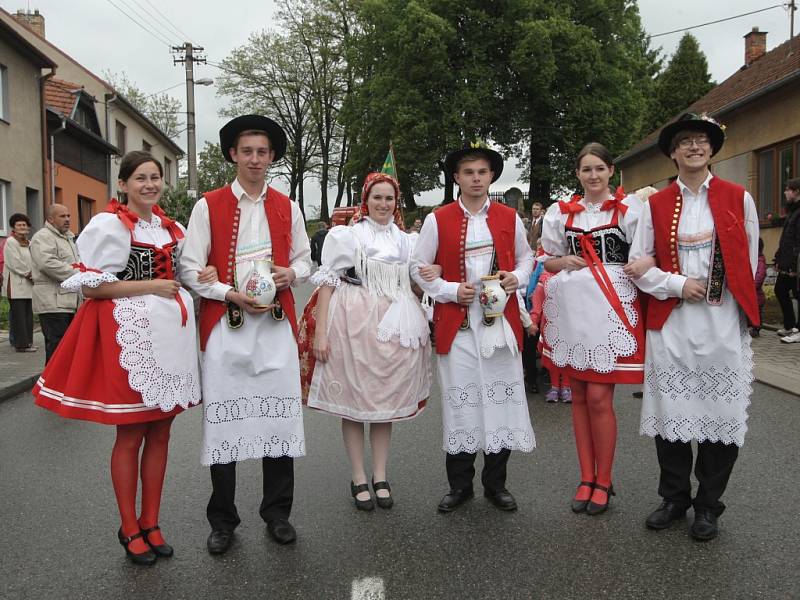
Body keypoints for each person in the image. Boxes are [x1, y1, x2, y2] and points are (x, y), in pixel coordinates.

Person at [33, 151, 206, 565]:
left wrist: (204, 277)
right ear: (124, 184)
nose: (150, 184)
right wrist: (152, 286)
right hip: (132, 336)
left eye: (156, 177)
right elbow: (92, 289)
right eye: (141, 178)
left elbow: (185, 278)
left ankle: (152, 520)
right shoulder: (108, 225)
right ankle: (129, 526)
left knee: (161, 433)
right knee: (130, 434)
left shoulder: (171, 228)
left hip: (172, 338)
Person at [180, 114, 312, 554]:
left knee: (278, 420)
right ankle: (223, 519)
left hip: (275, 328)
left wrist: (290, 272)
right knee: (224, 425)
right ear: (233, 155)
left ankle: (277, 513)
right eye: (247, 151)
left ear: (271, 156)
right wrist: (226, 292)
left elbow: (305, 262)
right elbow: (188, 268)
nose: (255, 159)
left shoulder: (287, 206)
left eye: (263, 151)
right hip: (227, 328)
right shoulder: (208, 205)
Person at [629, 113, 760, 541]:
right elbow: (638, 266)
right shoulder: (655, 204)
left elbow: (750, 259)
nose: (694, 147)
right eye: (685, 141)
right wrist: (677, 283)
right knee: (672, 414)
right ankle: (674, 498)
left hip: (722, 322)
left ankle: (708, 505)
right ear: (673, 152)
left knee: (719, 415)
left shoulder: (738, 197)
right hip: (671, 324)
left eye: (701, 140)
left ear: (711, 148)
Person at [412, 143, 535, 513]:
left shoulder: (509, 218)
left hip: (500, 324)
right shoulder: (438, 219)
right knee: (461, 402)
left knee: (500, 401)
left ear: (492, 176)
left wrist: (516, 276)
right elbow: (418, 266)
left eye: (482, 172)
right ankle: (460, 485)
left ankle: (496, 484)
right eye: (468, 172)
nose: (476, 179)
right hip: (459, 324)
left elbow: (528, 257)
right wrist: (450, 290)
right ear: (456, 178)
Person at [298, 172, 431, 511]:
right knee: (356, 405)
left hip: (394, 327)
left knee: (384, 404)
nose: (383, 204)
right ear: (366, 201)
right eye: (377, 198)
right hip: (353, 322)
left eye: (389, 198)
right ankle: (358, 476)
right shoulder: (348, 236)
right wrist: (322, 332)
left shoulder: (407, 241)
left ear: (395, 202)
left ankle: (380, 474)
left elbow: (421, 278)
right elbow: (327, 283)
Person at [539, 143, 646, 515]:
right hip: (573, 310)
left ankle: (605, 479)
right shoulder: (560, 213)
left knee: (600, 398)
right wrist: (562, 260)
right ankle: (586, 477)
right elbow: (546, 259)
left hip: (609, 309)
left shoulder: (629, 210)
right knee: (580, 397)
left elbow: (646, 254)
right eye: (587, 169)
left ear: (611, 170)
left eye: (599, 168)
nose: (594, 175)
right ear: (578, 174)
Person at [30, 204, 80, 363]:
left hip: (68, 301)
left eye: (68, 216)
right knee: (57, 348)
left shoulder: (69, 238)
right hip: (52, 301)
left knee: (67, 348)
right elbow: (47, 264)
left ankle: (62, 385)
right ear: (50, 219)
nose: (67, 219)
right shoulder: (43, 237)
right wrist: (78, 275)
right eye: (62, 216)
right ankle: (51, 385)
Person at [2, 213, 37, 352]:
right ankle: (21, 345)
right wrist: (29, 274)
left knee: (28, 315)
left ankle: (28, 342)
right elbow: (14, 262)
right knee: (19, 317)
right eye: (19, 225)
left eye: (24, 225)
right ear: (14, 227)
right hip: (16, 284)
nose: (22, 227)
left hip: (27, 284)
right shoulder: (11, 241)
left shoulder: (28, 242)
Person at [775, 178, 800, 341]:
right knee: (780, 290)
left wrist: (793, 266)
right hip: (787, 261)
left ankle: (797, 330)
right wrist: (778, 258)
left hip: (796, 264)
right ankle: (790, 326)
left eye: (787, 189)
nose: (785, 192)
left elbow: (798, 240)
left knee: (798, 294)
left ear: (796, 191)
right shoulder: (793, 211)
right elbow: (786, 238)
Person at [753, 238, 767, 338]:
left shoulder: (760, 261)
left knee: (756, 313)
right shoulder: (753, 259)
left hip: (756, 295)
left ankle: (756, 328)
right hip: (752, 294)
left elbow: (759, 277)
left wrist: (751, 286)